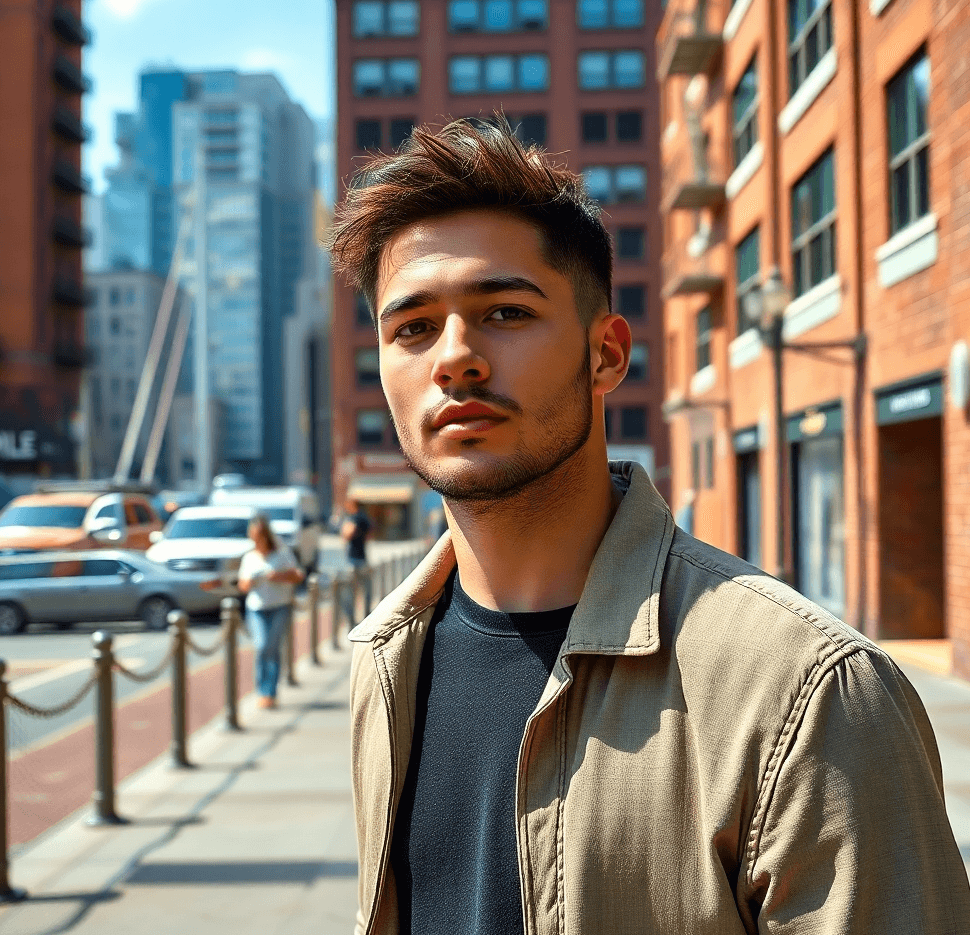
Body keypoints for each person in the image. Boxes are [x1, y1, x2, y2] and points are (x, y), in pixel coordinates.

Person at [326, 118, 970, 934]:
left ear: (606, 355)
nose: (454, 356)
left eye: (506, 312)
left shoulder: (807, 693)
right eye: (411, 328)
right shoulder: (385, 662)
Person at [237, 513, 304, 709]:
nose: (256, 540)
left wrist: (278, 576)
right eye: (253, 536)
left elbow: (298, 575)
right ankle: (262, 690)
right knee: (261, 646)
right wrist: (250, 582)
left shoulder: (281, 554)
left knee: (272, 649)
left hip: (279, 606)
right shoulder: (249, 557)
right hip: (256, 608)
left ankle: (270, 692)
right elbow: (242, 585)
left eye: (259, 535)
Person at [340, 497, 371, 627]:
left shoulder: (354, 518)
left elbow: (347, 533)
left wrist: (344, 529)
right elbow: (370, 534)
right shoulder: (364, 517)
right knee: (365, 592)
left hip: (354, 560)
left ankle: (352, 622)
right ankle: (366, 618)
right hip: (362, 558)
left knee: (348, 594)